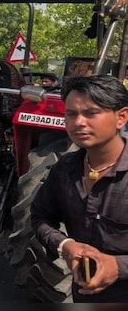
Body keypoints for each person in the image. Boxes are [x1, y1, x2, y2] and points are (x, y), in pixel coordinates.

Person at [30, 75, 128, 302]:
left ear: (121, 117)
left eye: (91, 113)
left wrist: (118, 266)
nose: (79, 122)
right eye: (71, 114)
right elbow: (40, 216)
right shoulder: (64, 169)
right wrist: (66, 245)